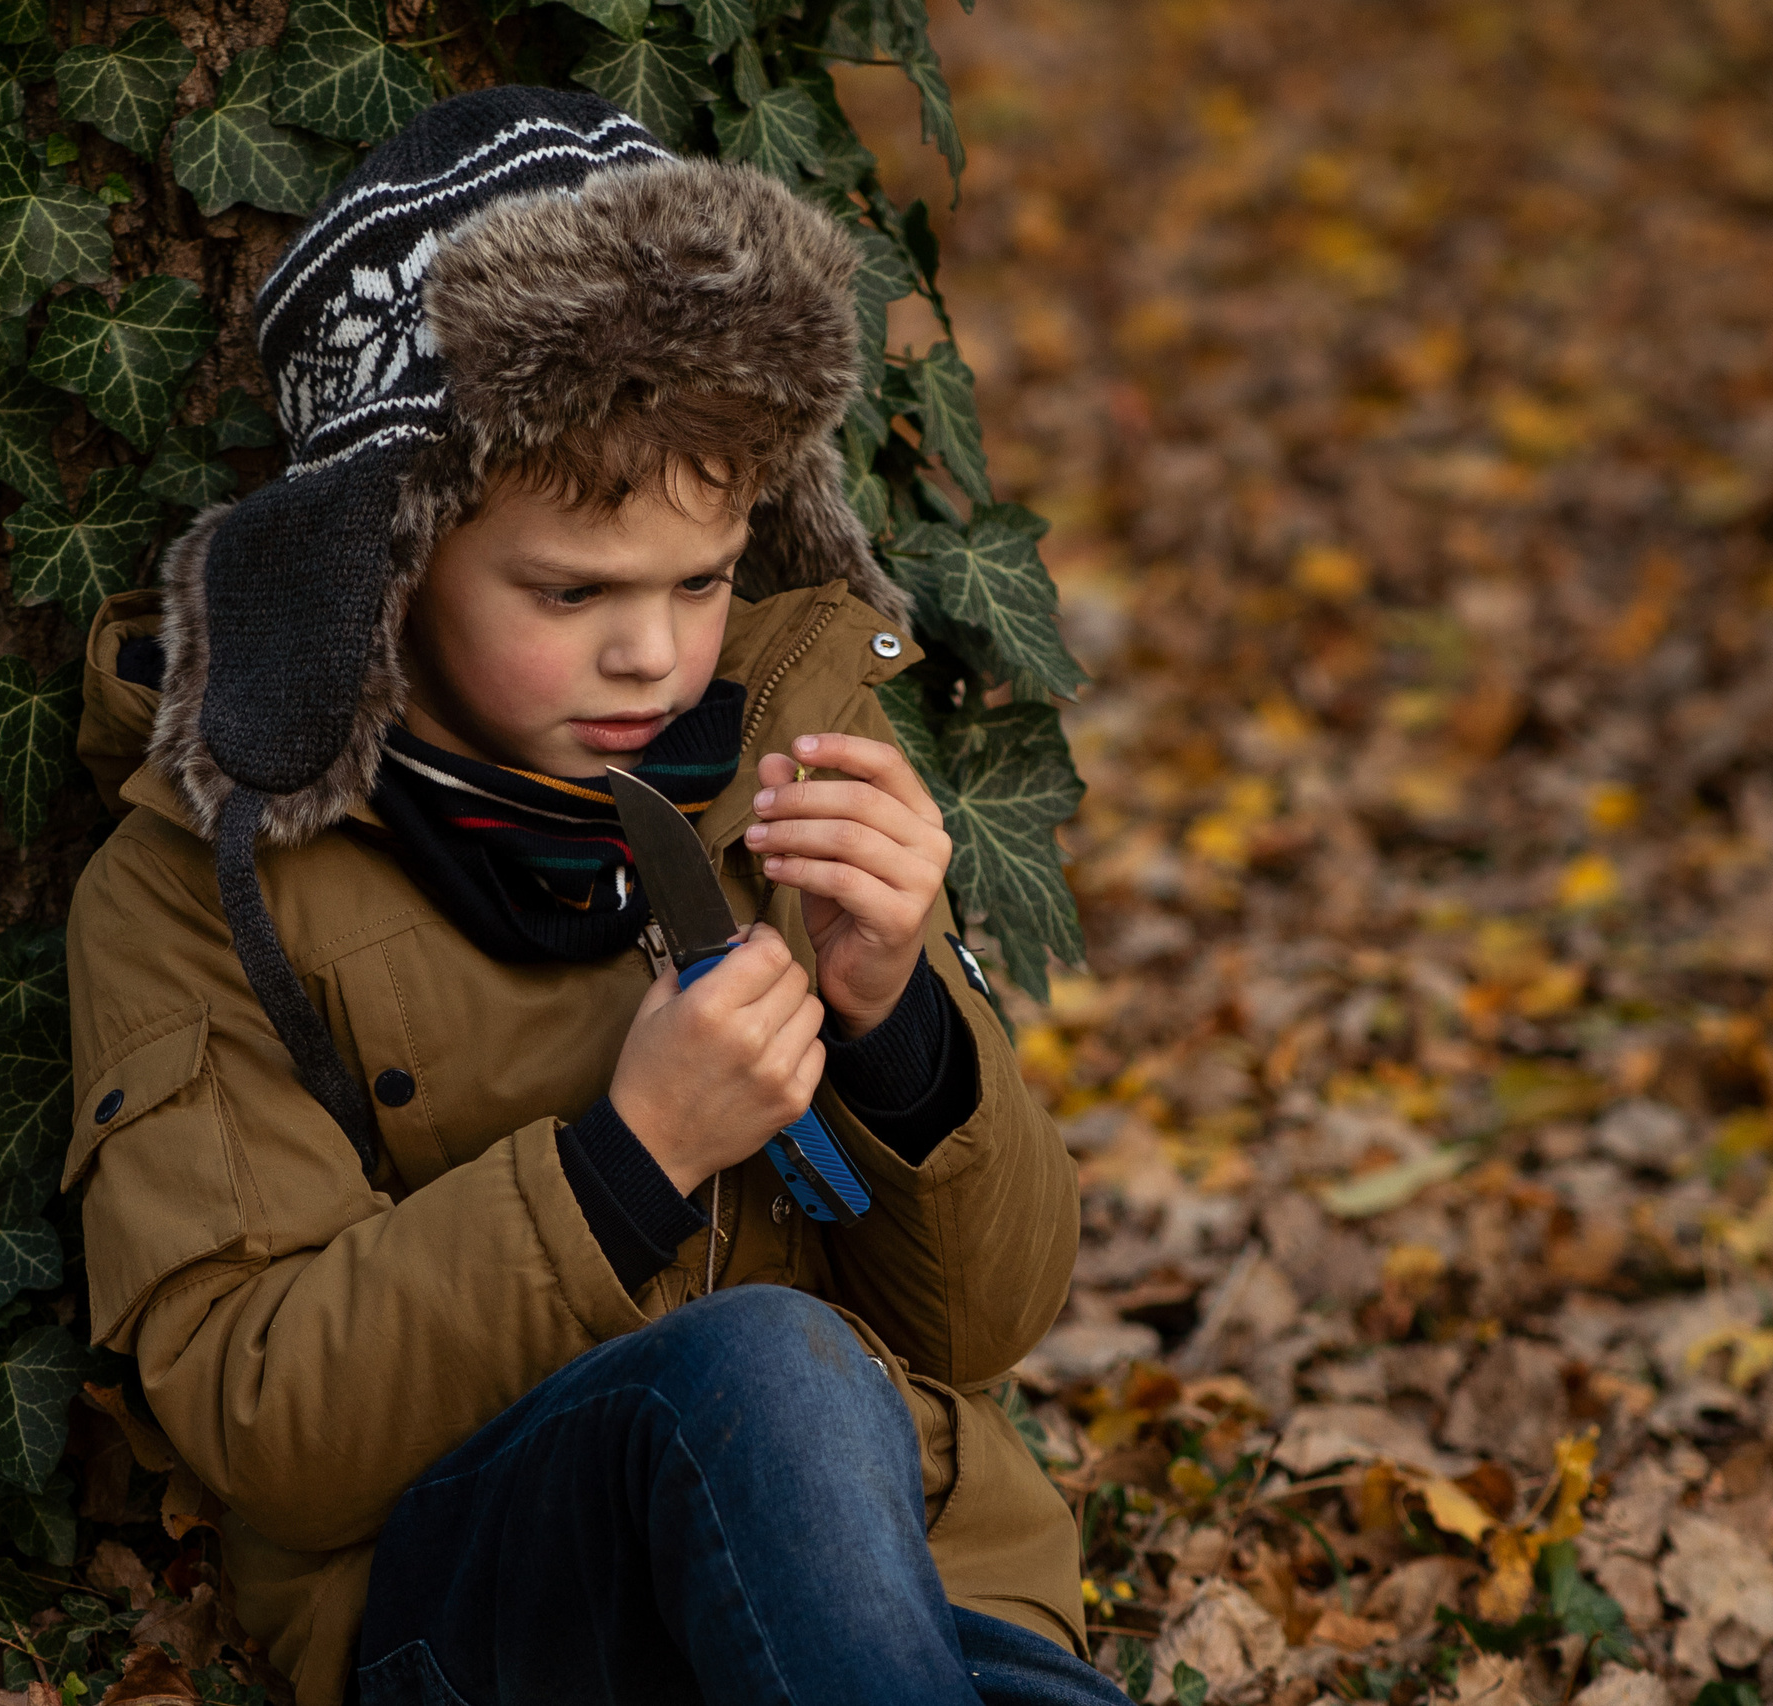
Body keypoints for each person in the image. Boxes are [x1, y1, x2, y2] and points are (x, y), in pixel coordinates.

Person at [63, 86, 1113, 1706]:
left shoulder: (794, 756)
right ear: (390, 554)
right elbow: (256, 1417)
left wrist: (899, 1020)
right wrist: (627, 1165)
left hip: (919, 1588)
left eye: (700, 580)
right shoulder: (207, 880)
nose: (652, 650)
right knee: (763, 1362)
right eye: (571, 592)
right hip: (510, 1617)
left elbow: (988, 1321)